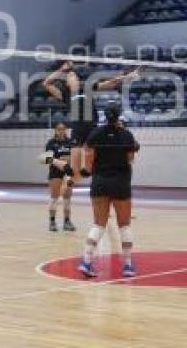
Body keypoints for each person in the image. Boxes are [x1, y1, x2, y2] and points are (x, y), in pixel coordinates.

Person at [42, 61, 139, 181]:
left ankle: (100, 173)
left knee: (100, 159)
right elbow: (46, 83)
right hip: (77, 130)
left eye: (74, 75)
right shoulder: (64, 94)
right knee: (74, 171)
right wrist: (62, 69)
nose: (74, 77)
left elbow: (110, 83)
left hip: (92, 128)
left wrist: (127, 77)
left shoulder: (87, 88)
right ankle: (67, 188)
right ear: (67, 83)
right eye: (71, 76)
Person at [78, 104, 139, 278]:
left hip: (100, 182)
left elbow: (89, 161)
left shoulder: (95, 134)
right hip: (120, 183)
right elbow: (130, 159)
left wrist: (87, 170)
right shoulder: (127, 135)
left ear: (104, 116)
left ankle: (87, 261)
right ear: (119, 116)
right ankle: (127, 265)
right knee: (124, 224)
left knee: (98, 224)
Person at [44, 122, 75, 232]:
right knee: (55, 198)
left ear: (66, 130)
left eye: (63, 129)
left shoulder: (70, 142)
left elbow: (74, 156)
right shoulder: (51, 143)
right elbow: (47, 159)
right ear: (55, 130)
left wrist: (70, 167)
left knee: (67, 198)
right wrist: (60, 163)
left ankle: (67, 221)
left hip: (68, 173)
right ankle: (52, 222)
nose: (61, 131)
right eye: (59, 129)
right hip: (55, 173)